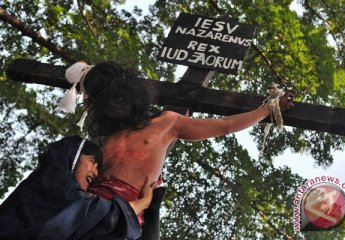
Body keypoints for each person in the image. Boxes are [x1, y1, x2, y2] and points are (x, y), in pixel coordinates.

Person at [74, 61, 294, 231]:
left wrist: (268, 109)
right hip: (86, 212)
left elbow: (225, 125)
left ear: (124, 94)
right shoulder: (109, 137)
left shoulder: (167, 123)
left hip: (121, 218)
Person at [0, 135, 154, 240]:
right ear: (73, 155)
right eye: (93, 161)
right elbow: (103, 216)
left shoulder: (38, 186)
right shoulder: (54, 188)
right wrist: (145, 202)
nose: (95, 172)